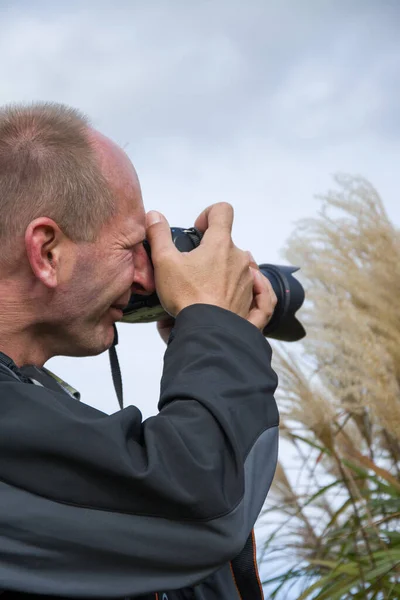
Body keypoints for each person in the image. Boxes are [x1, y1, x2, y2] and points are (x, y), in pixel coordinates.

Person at [0, 103, 279, 600]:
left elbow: (160, 547)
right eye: (132, 247)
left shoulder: (25, 408)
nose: (148, 276)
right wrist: (214, 326)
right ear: (46, 252)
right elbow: (204, 511)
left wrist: (204, 340)